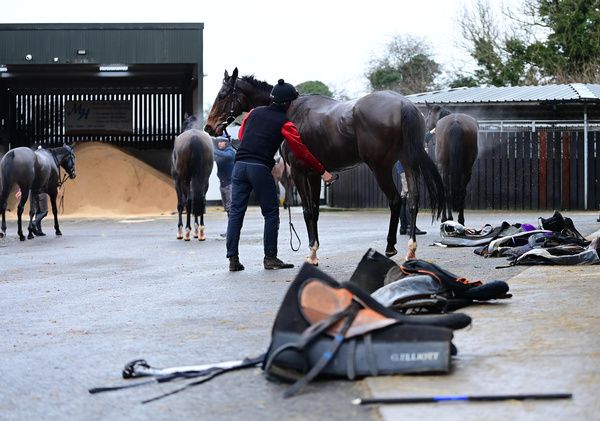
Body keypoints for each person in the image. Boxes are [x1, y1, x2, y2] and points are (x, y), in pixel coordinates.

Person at [226, 79, 334, 271]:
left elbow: (242, 136)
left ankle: (233, 259)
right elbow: (301, 151)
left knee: (236, 212)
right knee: (271, 213)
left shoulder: (253, 113)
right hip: (259, 168)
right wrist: (322, 171)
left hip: (239, 166)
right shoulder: (286, 123)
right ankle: (270, 258)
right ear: (288, 103)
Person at [394, 161, 426, 236]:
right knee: (409, 193)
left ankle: (403, 227)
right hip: (406, 167)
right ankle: (410, 227)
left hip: (401, 167)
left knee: (404, 194)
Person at [213, 134, 236, 215]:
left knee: (231, 208)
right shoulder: (221, 153)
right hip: (223, 184)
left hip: (230, 184)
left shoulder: (231, 151)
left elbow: (226, 155)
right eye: (218, 142)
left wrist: (212, 149)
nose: (219, 143)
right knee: (227, 208)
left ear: (226, 142)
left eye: (221, 142)